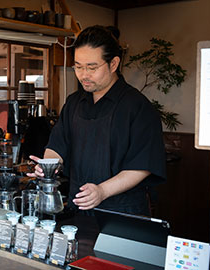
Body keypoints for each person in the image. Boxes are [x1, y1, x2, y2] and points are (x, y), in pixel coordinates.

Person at [28, 25, 166, 216]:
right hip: (79, 207)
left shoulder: (138, 107)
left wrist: (102, 191)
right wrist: (47, 167)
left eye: (92, 67)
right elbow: (57, 146)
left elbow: (142, 166)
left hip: (122, 212)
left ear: (113, 63)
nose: (84, 74)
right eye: (78, 67)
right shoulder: (74, 103)